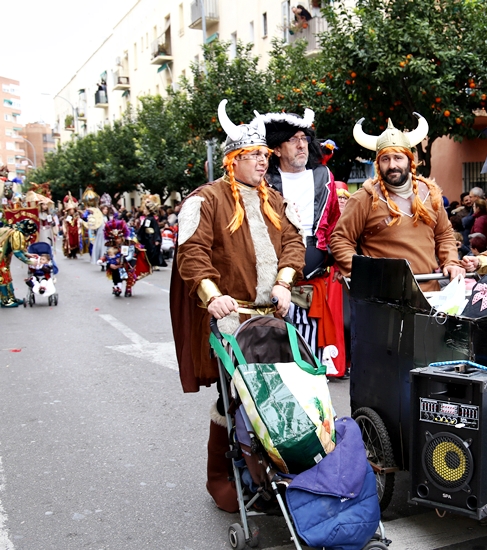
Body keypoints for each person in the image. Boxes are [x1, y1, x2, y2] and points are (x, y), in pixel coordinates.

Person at [171, 99, 306, 513]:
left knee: (286, 392)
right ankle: (223, 477)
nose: (262, 163)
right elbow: (191, 254)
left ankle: (282, 474)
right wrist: (213, 296)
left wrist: (285, 283)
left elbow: (294, 245)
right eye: (252, 156)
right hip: (232, 317)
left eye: (264, 155)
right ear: (232, 161)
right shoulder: (206, 200)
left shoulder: (275, 201)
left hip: (274, 315)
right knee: (239, 397)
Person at [330, 114, 464, 291]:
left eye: (398, 158)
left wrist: (451, 262)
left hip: (430, 293)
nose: (392, 165)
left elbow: (444, 234)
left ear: (410, 160)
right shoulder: (364, 198)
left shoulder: (431, 193)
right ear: (378, 164)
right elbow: (340, 239)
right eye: (385, 159)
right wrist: (362, 272)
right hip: (382, 298)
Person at [262, 107, 341, 363]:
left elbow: (334, 224)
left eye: (304, 139)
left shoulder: (324, 177)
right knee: (274, 352)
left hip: (312, 283)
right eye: (293, 140)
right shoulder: (264, 181)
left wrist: (333, 258)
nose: (301, 145)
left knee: (309, 355)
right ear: (276, 149)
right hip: (270, 281)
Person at [0, 219, 38, 308]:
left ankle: (11, 298)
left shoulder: (16, 231)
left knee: (7, 276)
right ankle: (5, 300)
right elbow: (17, 252)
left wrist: (28, 255)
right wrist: (29, 261)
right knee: (3, 277)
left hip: (3, 256)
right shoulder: (17, 233)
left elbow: (18, 249)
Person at [137, 195, 167, 268]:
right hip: (147, 237)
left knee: (153, 251)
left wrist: (157, 239)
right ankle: (149, 263)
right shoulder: (147, 219)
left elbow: (156, 229)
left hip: (151, 237)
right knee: (148, 251)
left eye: (145, 209)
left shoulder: (152, 219)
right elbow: (143, 228)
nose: (143, 210)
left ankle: (154, 263)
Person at [62, 194, 84, 259]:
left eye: (72, 210)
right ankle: (70, 253)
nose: (72, 211)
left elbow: (79, 222)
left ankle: (74, 253)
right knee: (70, 242)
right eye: (70, 210)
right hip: (69, 231)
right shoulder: (67, 217)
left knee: (76, 242)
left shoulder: (77, 216)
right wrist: (65, 231)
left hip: (76, 230)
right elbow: (65, 224)